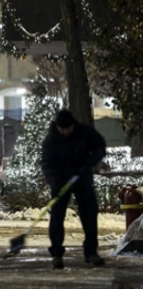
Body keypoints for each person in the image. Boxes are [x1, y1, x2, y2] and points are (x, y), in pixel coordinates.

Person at [41, 109, 107, 269]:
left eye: (68, 128)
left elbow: (100, 147)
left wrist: (89, 162)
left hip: (82, 178)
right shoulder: (51, 140)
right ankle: (57, 254)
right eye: (62, 128)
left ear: (73, 125)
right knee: (57, 216)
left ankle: (91, 252)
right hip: (61, 181)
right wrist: (55, 182)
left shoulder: (85, 132)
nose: (65, 131)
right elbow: (47, 164)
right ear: (57, 127)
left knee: (89, 214)